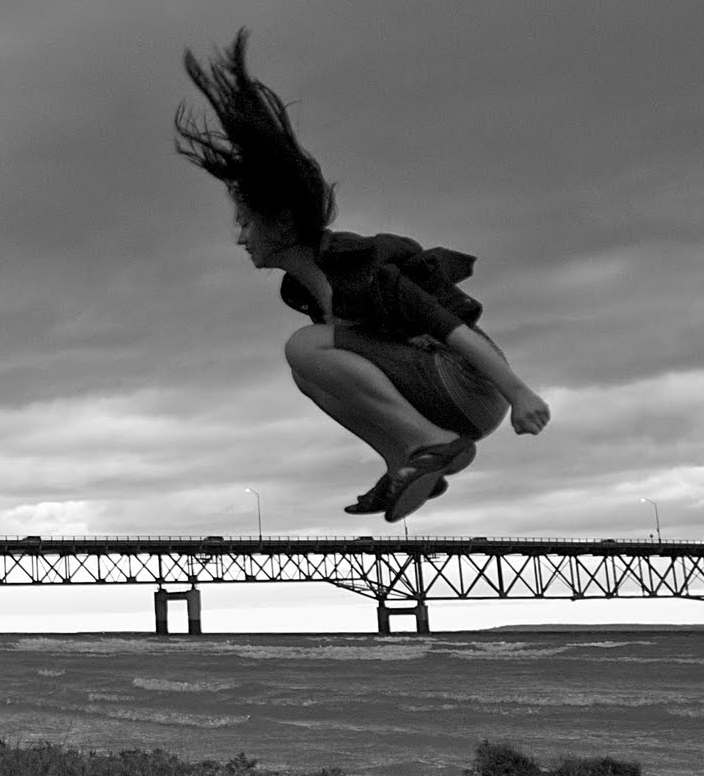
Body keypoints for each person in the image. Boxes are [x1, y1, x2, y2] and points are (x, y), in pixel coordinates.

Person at [174, 30, 551, 522]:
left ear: (282, 223)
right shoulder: (301, 290)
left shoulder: (357, 270)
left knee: (305, 347)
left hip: (471, 385)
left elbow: (449, 326)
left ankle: (428, 444)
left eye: (247, 223)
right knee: (308, 372)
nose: (241, 238)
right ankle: (404, 464)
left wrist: (519, 393)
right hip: (439, 385)